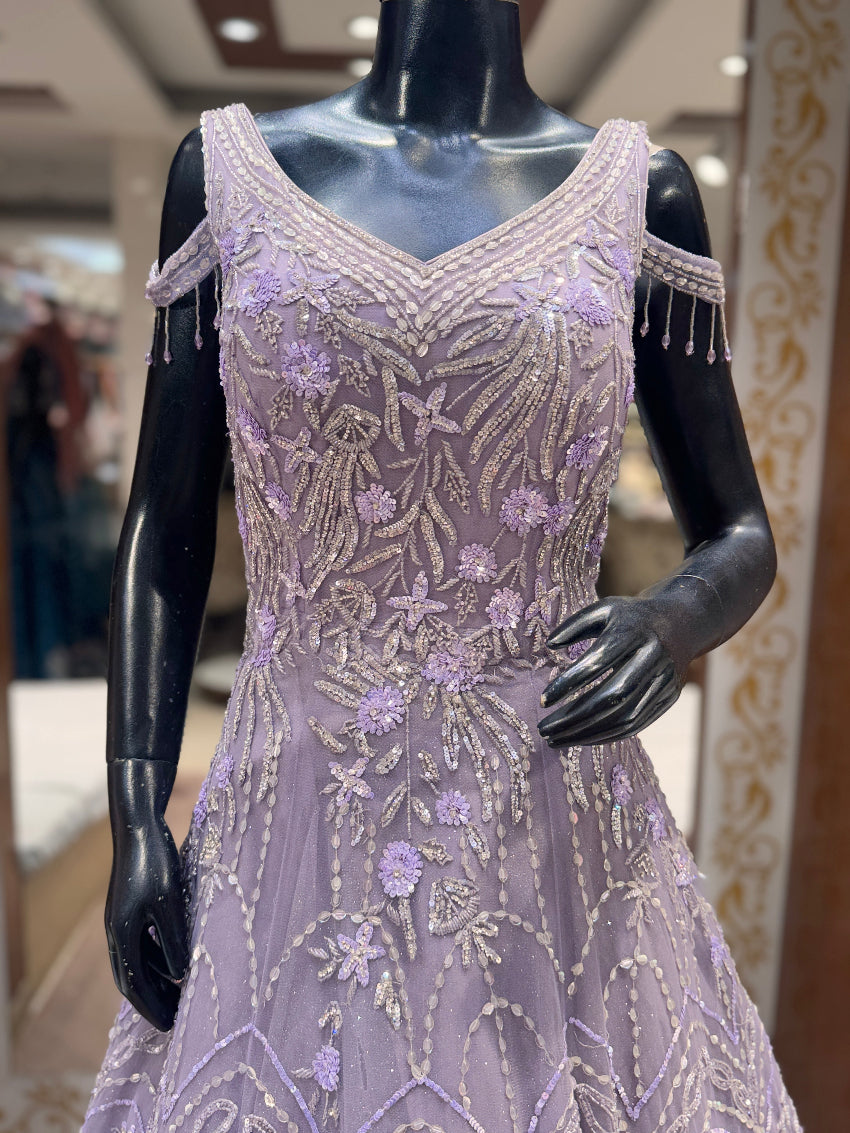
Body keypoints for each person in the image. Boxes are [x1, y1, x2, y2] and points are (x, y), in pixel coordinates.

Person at [83, 2, 801, 1130]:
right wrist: (134, 804)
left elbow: (740, 535)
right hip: (294, 811)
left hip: (552, 817)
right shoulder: (226, 175)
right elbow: (161, 528)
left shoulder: (640, 194)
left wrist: (671, 619)